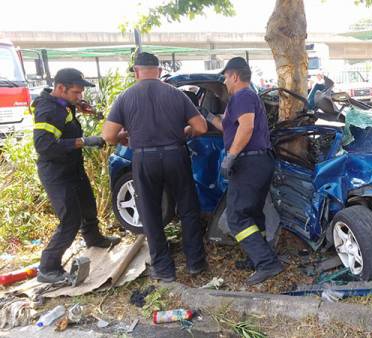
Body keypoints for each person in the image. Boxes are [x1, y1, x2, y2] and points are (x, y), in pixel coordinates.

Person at [102, 52, 209, 282]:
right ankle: (195, 263)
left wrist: (123, 137)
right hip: (175, 154)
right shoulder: (176, 94)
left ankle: (164, 269)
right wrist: (185, 132)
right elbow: (200, 127)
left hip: (144, 158)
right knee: (188, 208)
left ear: (136, 71)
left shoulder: (125, 97)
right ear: (159, 71)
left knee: (150, 213)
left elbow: (109, 135)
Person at [199, 57, 283, 286]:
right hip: (258, 162)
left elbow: (246, 128)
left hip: (249, 162)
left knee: (236, 216)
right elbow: (226, 125)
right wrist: (207, 116)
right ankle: (260, 255)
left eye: (225, 77)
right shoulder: (241, 99)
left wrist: (231, 156)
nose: (224, 82)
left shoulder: (243, 95)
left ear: (234, 76)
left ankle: (267, 263)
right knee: (253, 213)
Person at [32, 68, 121, 283]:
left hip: (72, 167)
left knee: (88, 205)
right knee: (70, 219)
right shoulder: (48, 110)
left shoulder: (62, 103)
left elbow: (66, 109)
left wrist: (78, 105)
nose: (79, 96)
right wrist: (83, 141)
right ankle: (48, 267)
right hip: (56, 172)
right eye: (76, 93)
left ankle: (94, 238)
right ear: (61, 88)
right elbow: (44, 145)